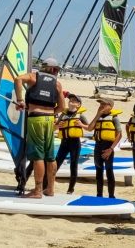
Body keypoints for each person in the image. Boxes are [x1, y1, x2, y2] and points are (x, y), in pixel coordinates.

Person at [14, 57, 66, 198]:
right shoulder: (58, 84)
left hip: (36, 119)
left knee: (38, 156)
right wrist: (50, 113)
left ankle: (37, 190)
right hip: (50, 120)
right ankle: (50, 189)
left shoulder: (33, 77)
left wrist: (20, 101)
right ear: (53, 69)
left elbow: (18, 79)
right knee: (50, 157)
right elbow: (62, 107)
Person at [86, 98, 123, 198]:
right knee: (98, 170)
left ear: (110, 106)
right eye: (100, 104)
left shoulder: (114, 118)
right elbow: (89, 128)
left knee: (109, 170)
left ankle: (111, 195)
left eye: (104, 104)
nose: (101, 106)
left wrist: (111, 149)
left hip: (108, 147)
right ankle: (99, 195)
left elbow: (119, 135)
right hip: (98, 146)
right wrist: (98, 115)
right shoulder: (98, 117)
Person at [54, 93, 88, 194]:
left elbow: (90, 127)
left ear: (78, 105)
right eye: (70, 100)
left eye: (74, 100)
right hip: (64, 142)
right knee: (56, 163)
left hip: (75, 143)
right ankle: (47, 184)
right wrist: (58, 126)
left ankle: (71, 188)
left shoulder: (81, 115)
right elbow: (55, 127)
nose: (71, 101)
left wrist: (81, 124)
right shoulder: (63, 114)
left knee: (73, 165)